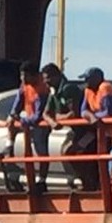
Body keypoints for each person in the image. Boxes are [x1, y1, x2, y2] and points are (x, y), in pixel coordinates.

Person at [42, 62, 94, 190]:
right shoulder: (54, 92)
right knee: (68, 153)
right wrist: (52, 121)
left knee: (71, 152)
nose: (45, 81)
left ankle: (91, 184)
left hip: (90, 132)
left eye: (47, 78)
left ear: (56, 76)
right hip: (77, 132)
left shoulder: (68, 89)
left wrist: (58, 117)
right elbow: (46, 113)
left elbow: (73, 114)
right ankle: (86, 183)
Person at [6, 61, 52, 193]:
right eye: (21, 76)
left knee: (41, 152)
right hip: (28, 121)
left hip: (39, 123)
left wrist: (22, 119)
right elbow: (18, 102)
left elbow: (38, 115)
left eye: (26, 76)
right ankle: (9, 149)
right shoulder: (24, 85)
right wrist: (12, 115)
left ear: (35, 75)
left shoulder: (42, 88)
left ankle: (41, 181)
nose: (23, 79)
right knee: (11, 125)